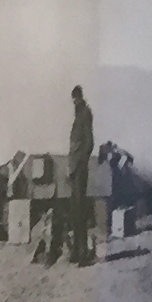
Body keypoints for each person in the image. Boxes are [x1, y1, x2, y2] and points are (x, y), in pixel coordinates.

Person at [66, 83, 97, 265]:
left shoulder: (85, 113)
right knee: (75, 212)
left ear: (78, 97)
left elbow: (89, 142)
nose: (74, 102)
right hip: (74, 168)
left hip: (79, 168)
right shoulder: (79, 115)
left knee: (80, 211)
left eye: (75, 99)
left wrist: (81, 163)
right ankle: (77, 252)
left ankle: (83, 254)